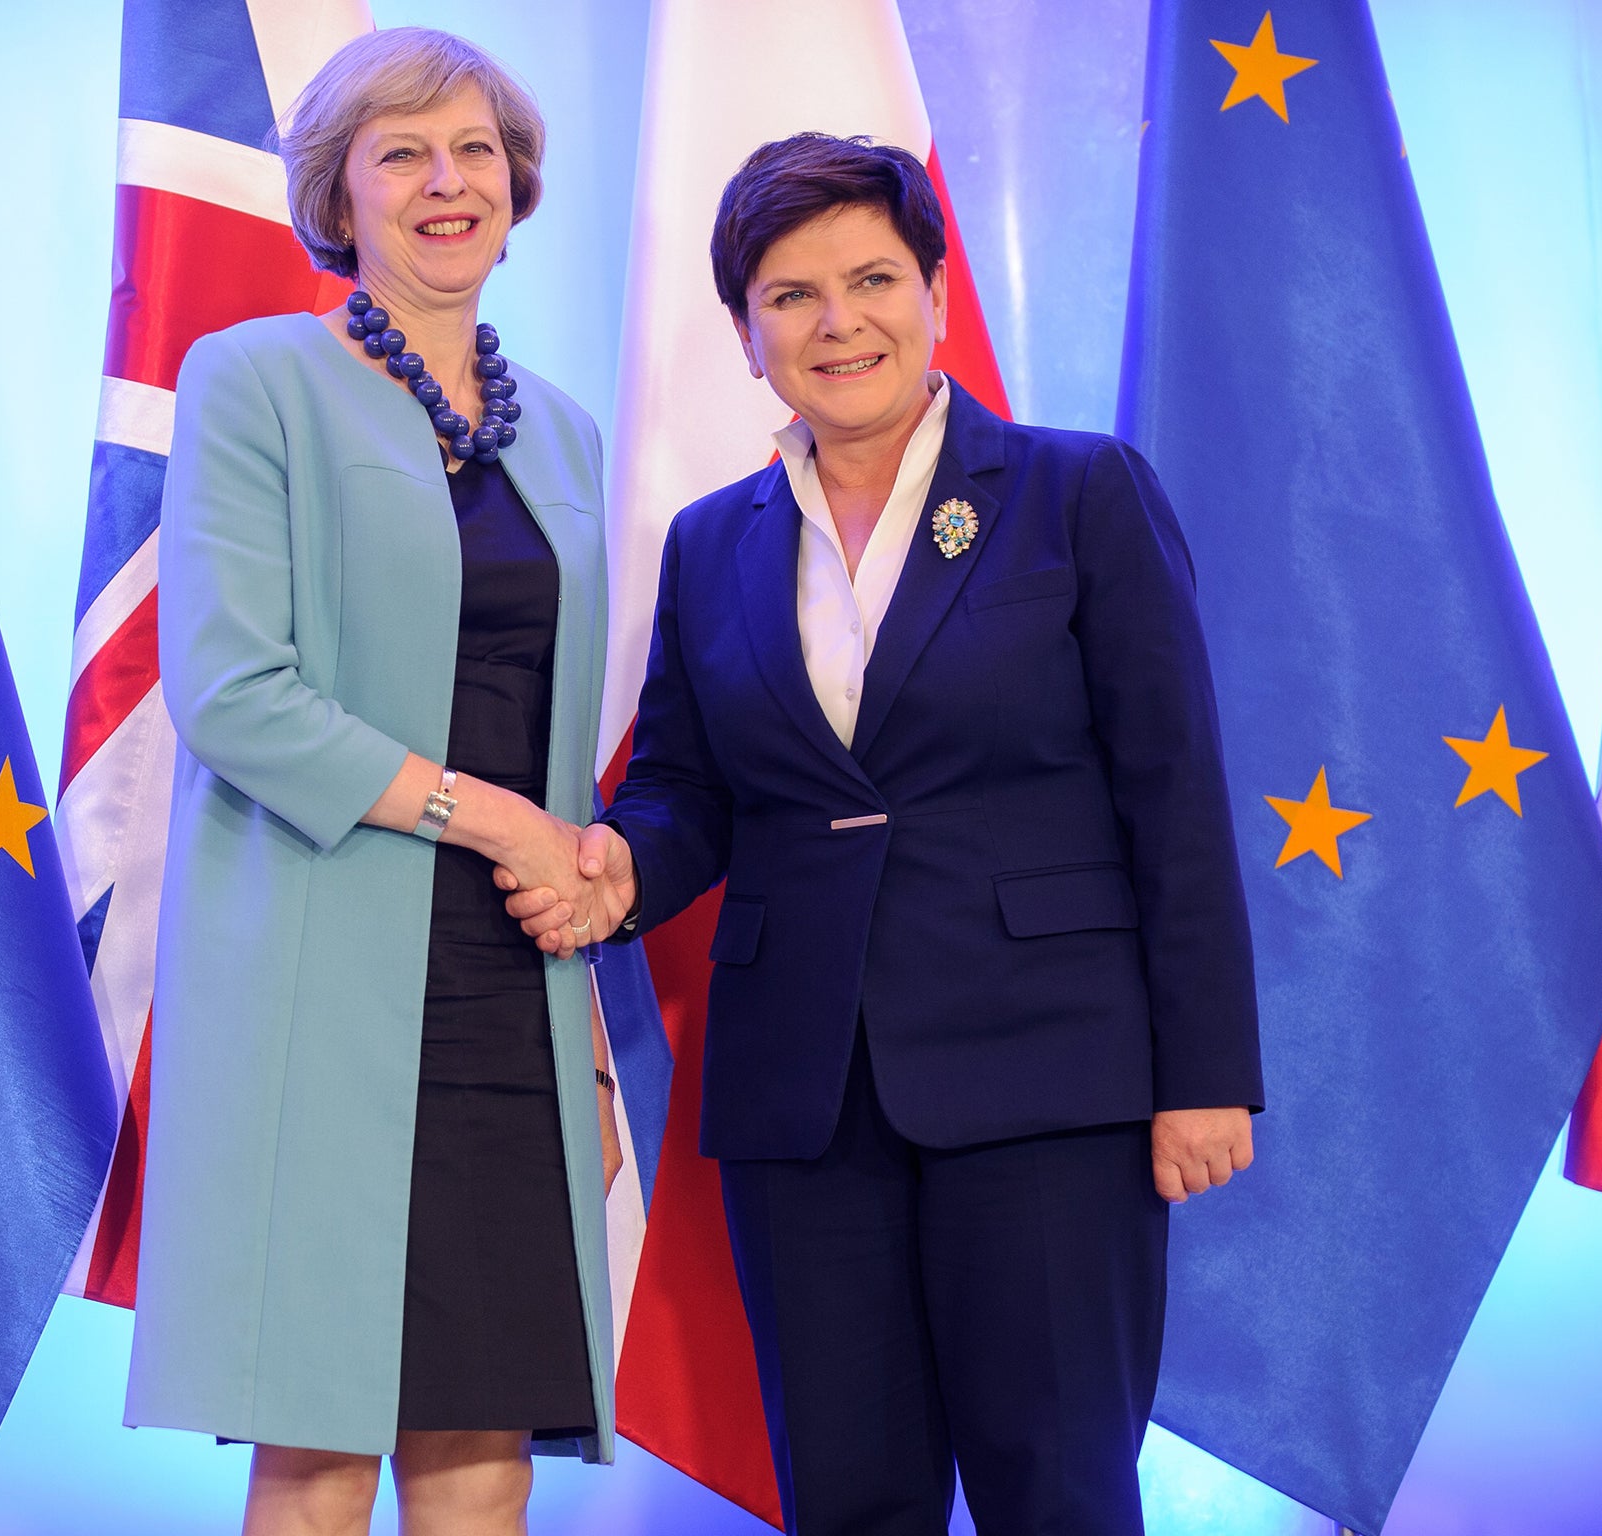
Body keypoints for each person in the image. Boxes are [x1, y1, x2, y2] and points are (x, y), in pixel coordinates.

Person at [505, 133, 1264, 1536]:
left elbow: (1177, 797)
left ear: (936, 292)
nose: (836, 321)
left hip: (1048, 1084)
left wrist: (1206, 1073)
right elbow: (688, 789)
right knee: (849, 1501)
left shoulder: (1079, 493)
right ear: (745, 336)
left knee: (1061, 1496)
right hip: (804, 1097)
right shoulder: (709, 542)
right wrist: (619, 866)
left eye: (870, 279)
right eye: (790, 295)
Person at [125, 29, 621, 1536]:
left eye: (473, 149)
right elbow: (231, 691)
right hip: (321, 975)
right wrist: (499, 821)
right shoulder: (254, 377)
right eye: (401, 152)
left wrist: (586, 1042)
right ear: (339, 193)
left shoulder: (568, 434)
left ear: (517, 185)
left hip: (509, 985)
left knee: (485, 1435)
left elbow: (550, 735)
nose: (446, 181)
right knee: (324, 1440)